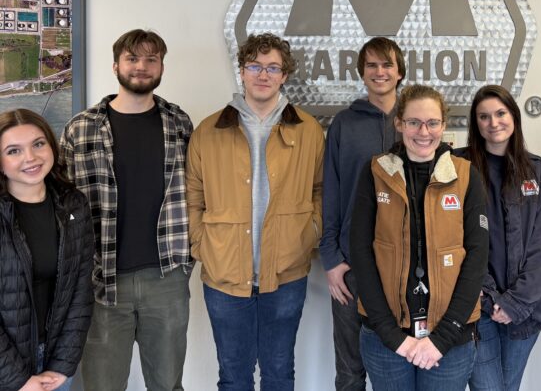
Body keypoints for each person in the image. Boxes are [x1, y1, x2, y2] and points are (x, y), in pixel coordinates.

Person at [186, 32, 324, 391]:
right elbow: (193, 197)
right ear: (242, 71)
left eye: (273, 67)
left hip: (287, 271)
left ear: (284, 75)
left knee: (279, 373)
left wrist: (309, 232)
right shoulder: (209, 130)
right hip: (224, 273)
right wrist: (202, 244)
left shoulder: (308, 130)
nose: (263, 74)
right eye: (255, 66)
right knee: (234, 376)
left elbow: (320, 190)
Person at [60, 29, 193, 391]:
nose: (141, 67)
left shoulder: (180, 124)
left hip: (166, 277)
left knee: (167, 385)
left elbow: (196, 193)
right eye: (133, 58)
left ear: (162, 66)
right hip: (101, 280)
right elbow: (61, 206)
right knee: (102, 386)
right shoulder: (80, 129)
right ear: (116, 65)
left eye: (151, 59)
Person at [349, 84, 489, 391]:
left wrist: (442, 339)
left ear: (443, 124)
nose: (423, 132)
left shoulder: (466, 175)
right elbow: (360, 251)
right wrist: (392, 336)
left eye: (432, 123)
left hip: (450, 339)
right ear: (399, 123)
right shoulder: (375, 172)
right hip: (386, 339)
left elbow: (477, 257)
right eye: (413, 122)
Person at [456, 85, 541, 391]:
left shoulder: (539, 171)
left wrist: (514, 303)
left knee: (507, 387)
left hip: (527, 308)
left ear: (513, 116)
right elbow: (455, 239)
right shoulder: (459, 168)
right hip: (476, 305)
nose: (493, 122)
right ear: (476, 124)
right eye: (484, 116)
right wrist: (490, 299)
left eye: (500, 113)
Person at [320, 37, 406, 391]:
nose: (379, 72)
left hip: (403, 264)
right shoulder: (344, 124)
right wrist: (331, 259)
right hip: (352, 266)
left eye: (386, 64)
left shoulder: (415, 121)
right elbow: (332, 192)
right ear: (362, 73)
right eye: (371, 65)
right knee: (351, 371)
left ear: (399, 72)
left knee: (399, 366)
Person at [0, 109, 93, 391]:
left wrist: (62, 366)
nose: (31, 158)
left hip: (54, 364)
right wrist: (18, 379)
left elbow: (81, 291)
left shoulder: (74, 205)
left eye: (38, 144)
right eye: (14, 150)